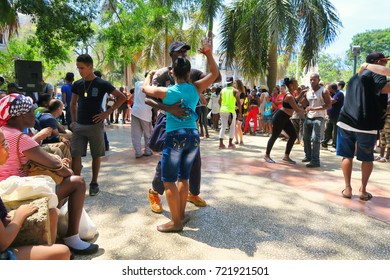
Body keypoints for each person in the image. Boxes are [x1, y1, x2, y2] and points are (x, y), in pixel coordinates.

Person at [0, 94, 99, 255]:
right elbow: (52, 164)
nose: (36, 114)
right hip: (16, 193)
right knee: (77, 182)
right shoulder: (20, 138)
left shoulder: (3, 132)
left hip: (5, 190)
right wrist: (68, 171)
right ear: (21, 115)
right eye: (32, 111)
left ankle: (56, 232)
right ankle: (72, 238)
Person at [142, 39, 218, 232]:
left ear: (173, 73)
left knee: (169, 180)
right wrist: (208, 53)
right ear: (188, 72)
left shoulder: (168, 90)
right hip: (193, 135)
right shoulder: (195, 87)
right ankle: (181, 215)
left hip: (175, 136)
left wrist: (147, 76)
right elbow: (215, 74)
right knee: (183, 178)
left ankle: (175, 222)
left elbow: (145, 90)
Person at [0, 128, 71, 260]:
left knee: (53, 213)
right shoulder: (21, 136)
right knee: (63, 252)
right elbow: (3, 243)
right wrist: (19, 216)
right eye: (4, 144)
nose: (8, 147)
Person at [70, 54, 126, 196]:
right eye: (78, 68)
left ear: (90, 67)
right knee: (76, 155)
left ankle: (94, 183)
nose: (80, 71)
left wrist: (107, 112)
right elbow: (72, 103)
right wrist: (73, 121)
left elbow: (121, 97)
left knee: (96, 155)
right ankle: (76, 183)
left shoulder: (102, 83)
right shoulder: (77, 84)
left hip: (95, 125)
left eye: (82, 68)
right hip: (79, 126)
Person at [338, 53, 390, 201]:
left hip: (346, 121)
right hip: (366, 124)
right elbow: (385, 89)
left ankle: (347, 189)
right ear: (377, 62)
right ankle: (363, 190)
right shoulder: (378, 74)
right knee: (367, 158)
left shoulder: (355, 77)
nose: (385, 65)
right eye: (384, 62)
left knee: (346, 156)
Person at [264, 77, 305, 164]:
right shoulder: (289, 96)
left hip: (286, 118)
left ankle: (286, 156)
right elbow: (297, 109)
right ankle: (266, 155)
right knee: (274, 136)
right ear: (291, 85)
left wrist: (302, 93)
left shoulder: (291, 94)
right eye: (296, 83)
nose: (297, 84)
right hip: (280, 118)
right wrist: (308, 110)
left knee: (293, 136)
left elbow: (296, 100)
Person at [301, 74, 332, 168]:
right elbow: (304, 104)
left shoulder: (324, 91)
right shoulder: (308, 91)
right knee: (305, 138)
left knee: (315, 139)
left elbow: (328, 105)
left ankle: (315, 160)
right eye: (311, 79)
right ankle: (308, 156)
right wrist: (302, 95)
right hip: (309, 117)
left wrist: (314, 108)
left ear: (319, 80)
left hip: (319, 117)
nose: (312, 81)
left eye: (314, 79)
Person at [131, 80, 153, 158]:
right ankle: (147, 151)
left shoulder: (137, 83)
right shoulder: (152, 86)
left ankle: (138, 152)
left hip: (135, 111)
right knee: (148, 134)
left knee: (135, 134)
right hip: (146, 113)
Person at [218, 77, 242, 149]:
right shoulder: (235, 91)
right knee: (232, 127)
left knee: (223, 127)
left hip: (222, 110)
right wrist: (240, 112)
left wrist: (222, 106)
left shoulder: (222, 90)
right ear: (232, 82)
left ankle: (221, 144)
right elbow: (238, 102)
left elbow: (219, 100)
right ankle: (230, 143)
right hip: (230, 111)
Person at [321, 83, 344, 150]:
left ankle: (335, 145)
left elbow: (332, 101)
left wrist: (327, 95)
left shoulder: (339, 94)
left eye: (328, 88)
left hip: (337, 115)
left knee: (335, 130)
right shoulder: (331, 94)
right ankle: (324, 143)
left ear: (331, 88)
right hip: (330, 115)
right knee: (328, 129)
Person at [234, 80, 246, 145]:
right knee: (234, 126)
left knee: (238, 126)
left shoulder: (242, 94)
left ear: (238, 84)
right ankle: (236, 140)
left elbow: (241, 103)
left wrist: (234, 107)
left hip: (240, 112)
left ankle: (241, 140)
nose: (233, 84)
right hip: (234, 111)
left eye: (235, 83)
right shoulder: (234, 92)